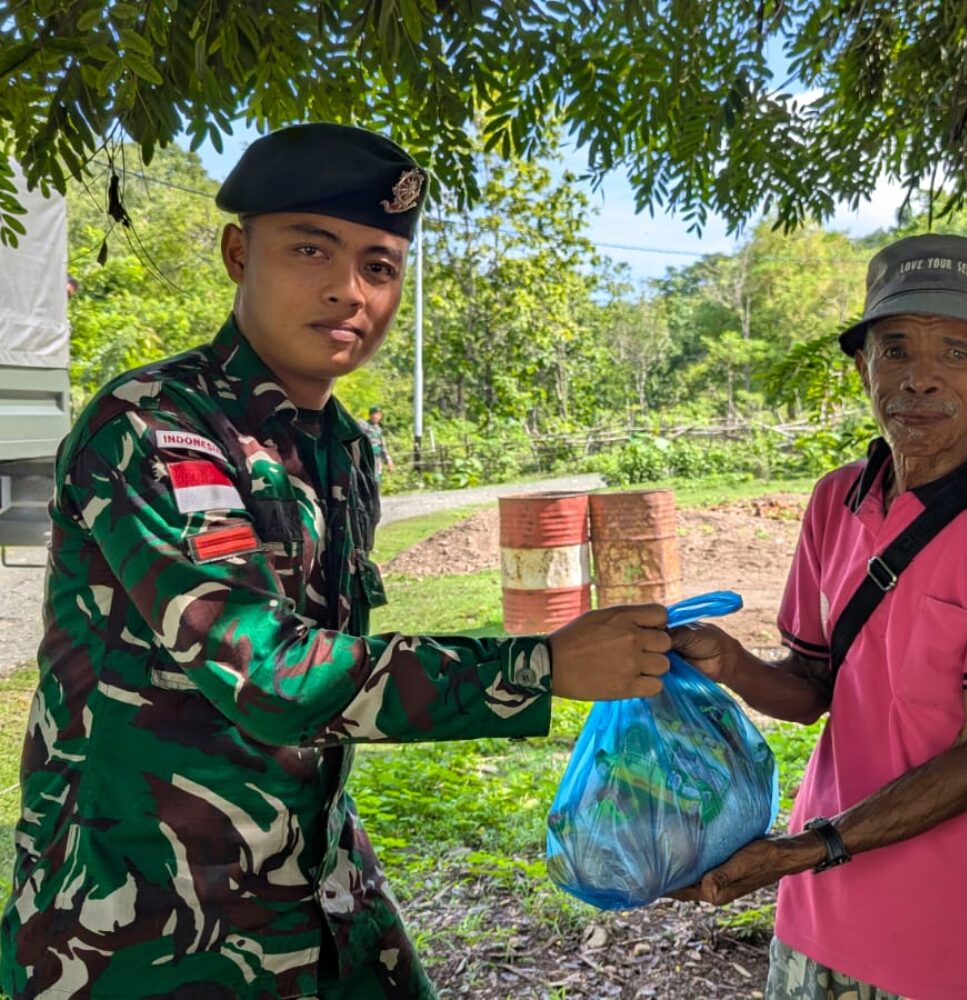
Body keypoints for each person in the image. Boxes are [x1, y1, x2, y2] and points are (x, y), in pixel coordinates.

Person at [0, 123, 674, 1000]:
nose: (349, 291)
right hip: (140, 922)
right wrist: (542, 666)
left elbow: (328, 668)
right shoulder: (155, 426)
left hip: (316, 882)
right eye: (311, 249)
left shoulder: (344, 448)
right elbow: (268, 673)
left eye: (379, 265)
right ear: (238, 253)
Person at [671, 235, 967, 1000]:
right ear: (863, 368)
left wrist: (800, 851)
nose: (919, 377)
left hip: (960, 938)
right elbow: (813, 687)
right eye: (895, 349)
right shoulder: (835, 500)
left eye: (954, 353)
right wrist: (729, 663)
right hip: (818, 916)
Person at [361, 404, 395, 481]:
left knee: (376, 479)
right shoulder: (363, 425)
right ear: (370, 415)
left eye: (378, 414)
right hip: (365, 457)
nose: (375, 416)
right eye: (374, 414)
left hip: (376, 459)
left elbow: (383, 447)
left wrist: (389, 460)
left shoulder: (378, 429)